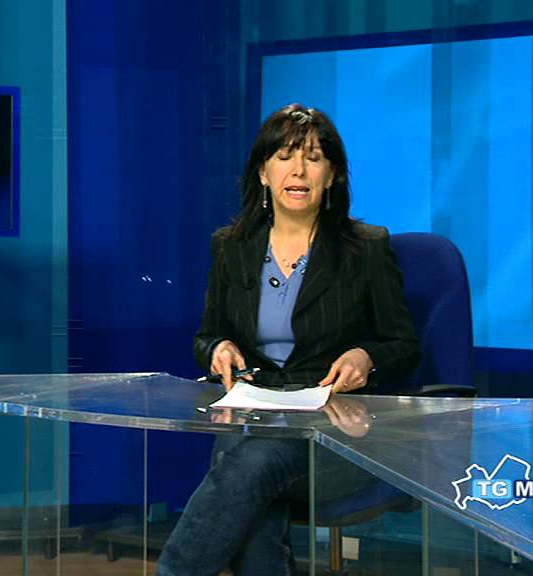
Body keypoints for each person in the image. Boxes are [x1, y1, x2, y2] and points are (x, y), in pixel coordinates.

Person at [156, 104, 421, 575]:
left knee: (247, 465)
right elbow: (207, 335)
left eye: (313, 158)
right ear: (263, 172)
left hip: (336, 434)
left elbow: (402, 344)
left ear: (332, 175)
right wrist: (218, 349)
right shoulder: (231, 246)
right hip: (253, 417)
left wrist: (365, 356)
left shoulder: (366, 247)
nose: (298, 170)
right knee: (249, 473)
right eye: (284, 157)